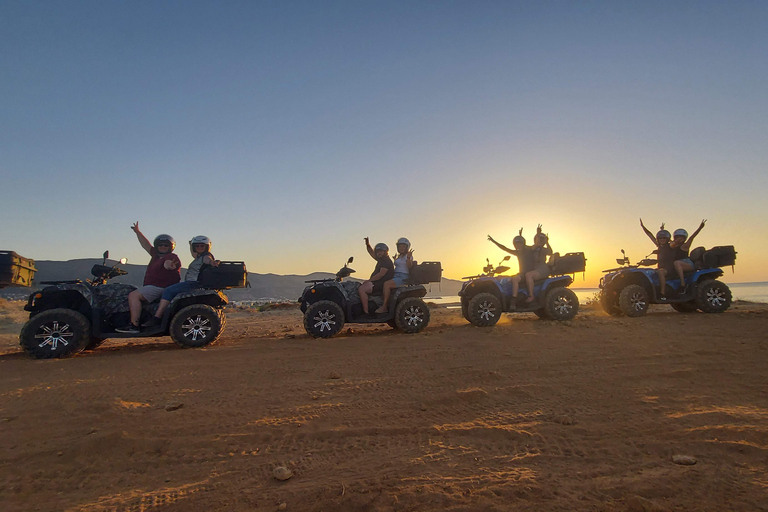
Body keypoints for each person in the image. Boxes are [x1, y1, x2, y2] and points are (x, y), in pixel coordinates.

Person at [115, 222, 181, 334]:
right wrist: (137, 232)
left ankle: (134, 326)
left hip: (160, 287)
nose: (163, 247)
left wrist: (170, 266)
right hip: (153, 286)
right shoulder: (155, 255)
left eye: (166, 245)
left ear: (170, 247)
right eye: (160, 245)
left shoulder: (171, 257)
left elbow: (168, 264)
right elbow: (145, 244)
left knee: (133, 295)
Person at [142, 235, 219, 327]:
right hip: (193, 283)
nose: (199, 248)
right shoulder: (198, 257)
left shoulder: (206, 256)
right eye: (197, 246)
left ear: (207, 247)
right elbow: (194, 254)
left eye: (202, 246)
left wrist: (211, 262)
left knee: (168, 290)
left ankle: (157, 317)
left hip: (194, 283)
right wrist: (190, 245)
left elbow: (207, 259)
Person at [487, 224, 544, 309]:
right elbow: (504, 248)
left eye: (519, 243)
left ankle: (514, 300)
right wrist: (493, 241)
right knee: (505, 278)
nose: (518, 245)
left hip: (528, 273)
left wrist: (538, 233)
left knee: (515, 279)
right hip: (521, 274)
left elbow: (537, 244)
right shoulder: (517, 253)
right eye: (516, 244)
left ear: (523, 243)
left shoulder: (529, 249)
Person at [374, 237, 414, 314]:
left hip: (403, 277)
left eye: (403, 246)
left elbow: (409, 266)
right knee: (382, 282)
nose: (401, 248)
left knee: (387, 284)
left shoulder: (408, 256)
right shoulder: (400, 256)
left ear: (407, 247)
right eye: (400, 246)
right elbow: (399, 265)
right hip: (396, 275)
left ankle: (384, 306)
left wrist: (409, 257)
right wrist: (395, 260)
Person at [359, 238, 394, 315]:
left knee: (362, 289)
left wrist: (369, 280)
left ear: (385, 252)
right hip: (377, 282)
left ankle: (365, 312)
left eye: (381, 251)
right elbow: (371, 253)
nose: (379, 253)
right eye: (378, 251)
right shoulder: (381, 260)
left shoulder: (386, 261)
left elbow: (381, 274)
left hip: (381, 284)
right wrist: (367, 244)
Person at [640, 219, 673, 299]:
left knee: (660, 272)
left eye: (664, 238)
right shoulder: (659, 246)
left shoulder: (670, 246)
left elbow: (675, 241)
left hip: (669, 268)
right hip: (660, 267)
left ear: (667, 239)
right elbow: (650, 235)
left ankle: (662, 294)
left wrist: (663, 230)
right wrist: (643, 226)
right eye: (660, 238)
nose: (662, 240)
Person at [671, 219, 707, 293]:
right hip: (679, 264)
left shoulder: (685, 246)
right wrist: (662, 230)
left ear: (684, 238)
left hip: (687, 263)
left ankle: (683, 284)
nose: (679, 239)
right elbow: (666, 241)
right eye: (677, 237)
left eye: (681, 237)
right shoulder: (673, 246)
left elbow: (692, 237)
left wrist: (700, 227)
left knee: (676, 263)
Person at [524, 232, 553, 303]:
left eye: (542, 239)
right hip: (535, 269)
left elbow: (550, 252)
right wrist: (538, 234)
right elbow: (532, 248)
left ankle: (531, 295)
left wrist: (547, 242)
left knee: (528, 275)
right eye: (539, 239)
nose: (540, 241)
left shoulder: (543, 249)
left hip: (542, 269)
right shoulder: (533, 248)